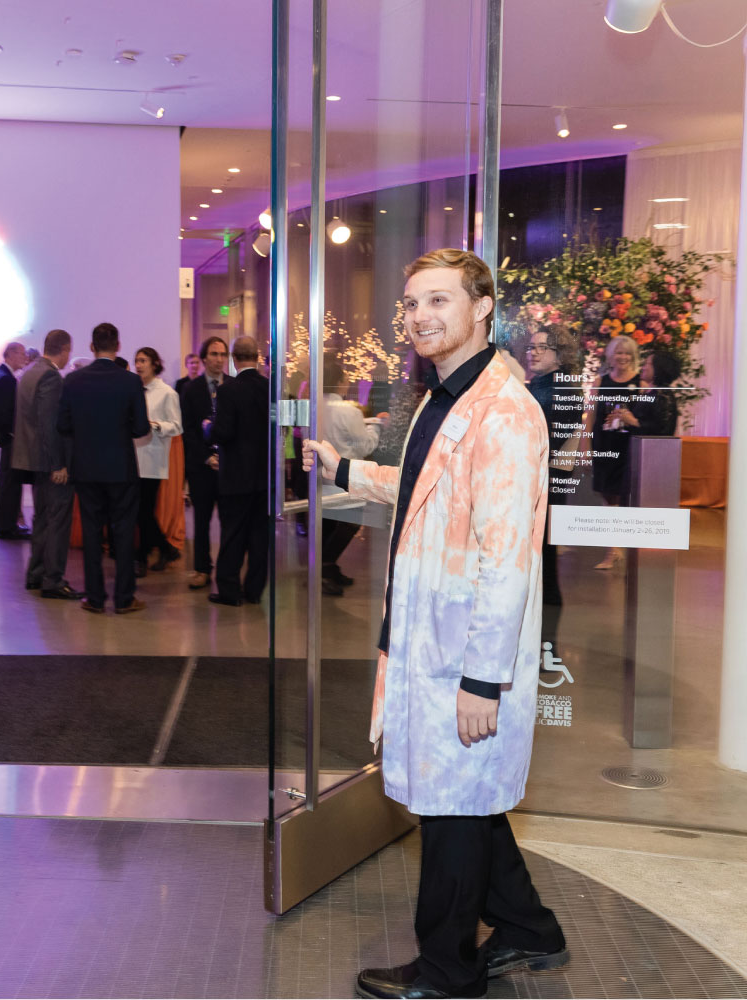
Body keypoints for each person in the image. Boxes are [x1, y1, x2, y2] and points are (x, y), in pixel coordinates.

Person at [304, 249, 567, 1000]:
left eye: (439, 301)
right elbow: (422, 488)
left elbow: (509, 560)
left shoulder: (505, 412)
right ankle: (528, 929)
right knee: (465, 801)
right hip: (425, 638)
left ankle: (449, 972)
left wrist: (483, 679)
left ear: (483, 307)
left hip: (465, 655)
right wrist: (347, 471)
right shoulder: (443, 398)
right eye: (413, 302)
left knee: (450, 814)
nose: (420, 316)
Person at [57, 322, 151, 614]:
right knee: (123, 534)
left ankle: (95, 598)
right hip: (121, 469)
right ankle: (124, 598)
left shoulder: (73, 381)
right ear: (118, 347)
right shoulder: (130, 382)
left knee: (92, 533)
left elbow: (62, 425)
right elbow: (140, 429)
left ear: (91, 347)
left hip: (86, 469)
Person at [588, 340, 681, 569]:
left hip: (628, 448)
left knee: (625, 500)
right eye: (618, 352)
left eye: (627, 353)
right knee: (607, 498)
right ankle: (614, 550)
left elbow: (652, 423)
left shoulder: (644, 386)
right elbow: (591, 416)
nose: (622, 357)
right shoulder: (600, 381)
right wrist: (586, 445)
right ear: (610, 355)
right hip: (605, 444)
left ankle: (620, 550)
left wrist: (627, 420)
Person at [11, 329, 81, 599]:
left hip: (33, 461)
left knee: (41, 519)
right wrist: (58, 465)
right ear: (64, 349)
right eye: (69, 352)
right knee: (57, 522)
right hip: (48, 462)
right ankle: (53, 580)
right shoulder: (51, 376)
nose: (68, 357)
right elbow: (49, 424)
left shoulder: (29, 372)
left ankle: (36, 574)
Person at [525, 325, 582, 644]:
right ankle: (540, 643)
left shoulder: (564, 389)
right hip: (540, 479)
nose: (533, 352)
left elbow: (549, 439)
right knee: (539, 562)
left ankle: (547, 645)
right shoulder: (539, 384)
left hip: (549, 481)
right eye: (532, 347)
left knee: (545, 564)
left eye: (541, 347)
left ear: (559, 355)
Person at [206, 336, 268, 606]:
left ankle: (230, 591)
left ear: (233, 358)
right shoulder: (270, 388)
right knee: (259, 537)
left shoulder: (229, 390)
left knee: (232, 534)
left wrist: (207, 427)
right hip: (265, 477)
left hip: (236, 476)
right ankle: (254, 590)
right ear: (257, 357)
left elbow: (224, 432)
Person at [319, 353, 381, 596]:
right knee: (350, 525)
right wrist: (375, 426)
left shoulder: (315, 406)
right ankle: (325, 566)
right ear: (341, 382)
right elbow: (365, 445)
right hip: (344, 478)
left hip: (320, 479)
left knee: (328, 525)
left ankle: (327, 567)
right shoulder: (348, 410)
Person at [181, 337, 229, 590]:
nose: (219, 359)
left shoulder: (233, 386)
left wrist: (225, 456)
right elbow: (188, 431)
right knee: (201, 520)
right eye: (214, 354)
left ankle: (226, 569)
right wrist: (206, 456)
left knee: (229, 521)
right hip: (201, 466)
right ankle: (201, 568)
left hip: (229, 467)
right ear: (204, 358)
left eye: (223, 354)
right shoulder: (191, 389)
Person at [133, 347, 182, 576]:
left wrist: (156, 426)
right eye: (137, 361)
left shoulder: (167, 393)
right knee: (139, 510)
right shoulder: (133, 389)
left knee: (143, 511)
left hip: (153, 458)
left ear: (154, 363)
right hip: (133, 457)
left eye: (143, 360)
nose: (139, 365)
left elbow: (177, 426)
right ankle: (164, 549)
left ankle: (145, 556)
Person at [0, 341, 30, 540]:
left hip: (5, 440)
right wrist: (12, 435)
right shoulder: (6, 379)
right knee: (10, 484)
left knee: (7, 483)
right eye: (21, 353)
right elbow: (4, 415)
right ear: (11, 354)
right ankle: (7, 527)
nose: (25, 357)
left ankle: (6, 524)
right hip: (11, 440)